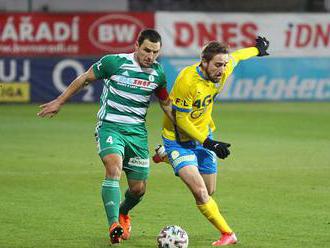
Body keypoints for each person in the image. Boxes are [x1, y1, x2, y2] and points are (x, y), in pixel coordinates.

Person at [38, 29, 173, 244]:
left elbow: (166, 104)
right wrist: (59, 101)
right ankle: (113, 225)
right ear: (136, 46)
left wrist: (182, 129)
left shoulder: (158, 73)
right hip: (110, 127)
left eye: (155, 52)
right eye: (147, 50)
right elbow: (85, 78)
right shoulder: (113, 62)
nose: (151, 56)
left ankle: (123, 212)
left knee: (138, 190)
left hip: (137, 134)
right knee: (113, 168)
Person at [153, 36, 270, 246]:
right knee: (200, 193)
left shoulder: (223, 70)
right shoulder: (187, 80)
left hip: (205, 134)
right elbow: (182, 121)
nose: (222, 69)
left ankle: (165, 157)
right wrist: (209, 144)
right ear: (204, 62)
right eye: (217, 64)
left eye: (224, 65)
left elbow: (237, 57)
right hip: (178, 140)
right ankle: (228, 234)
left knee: (209, 191)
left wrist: (257, 50)